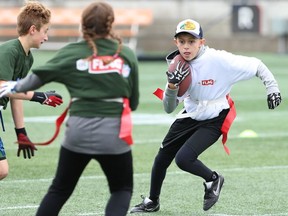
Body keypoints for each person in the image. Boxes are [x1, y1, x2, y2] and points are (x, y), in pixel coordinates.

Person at [0, 1, 139, 216]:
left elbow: (31, 82)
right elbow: (135, 101)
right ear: (111, 25)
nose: (46, 37)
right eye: (45, 32)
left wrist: (20, 95)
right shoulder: (126, 54)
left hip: (78, 131)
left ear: (83, 25)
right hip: (114, 134)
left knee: (59, 190)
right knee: (122, 189)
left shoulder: (71, 52)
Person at [129, 19, 282, 213]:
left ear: (201, 42)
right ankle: (152, 201)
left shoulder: (219, 60)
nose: (186, 46)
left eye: (191, 41)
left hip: (215, 115)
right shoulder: (178, 65)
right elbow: (169, 108)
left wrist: (272, 88)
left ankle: (213, 179)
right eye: (182, 41)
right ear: (175, 42)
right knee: (162, 158)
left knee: (184, 159)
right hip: (192, 113)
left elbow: (257, 65)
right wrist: (171, 87)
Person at [0, 1, 63, 181]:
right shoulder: (9, 52)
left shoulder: (28, 57)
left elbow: (15, 94)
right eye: (46, 31)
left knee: (1, 170)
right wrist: (38, 96)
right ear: (33, 29)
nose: (47, 37)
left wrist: (21, 132)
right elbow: (2, 87)